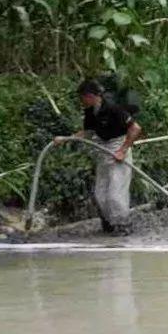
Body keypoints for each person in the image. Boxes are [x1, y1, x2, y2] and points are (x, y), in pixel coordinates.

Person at [55, 80, 142, 234]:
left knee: (116, 192)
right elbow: (87, 132)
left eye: (82, 98)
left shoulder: (114, 109)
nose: (81, 102)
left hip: (117, 146)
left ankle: (122, 224)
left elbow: (135, 128)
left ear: (90, 96)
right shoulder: (90, 111)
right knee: (100, 193)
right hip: (102, 148)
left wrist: (123, 150)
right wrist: (66, 139)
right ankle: (109, 223)